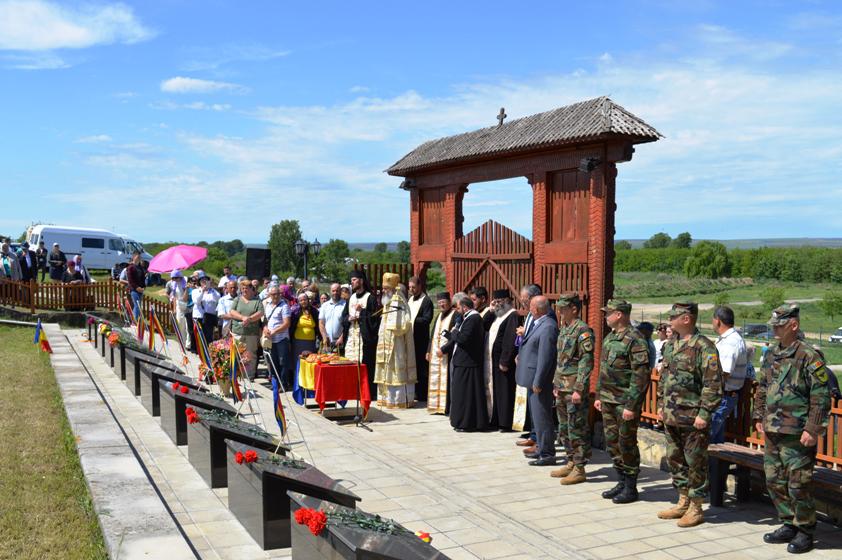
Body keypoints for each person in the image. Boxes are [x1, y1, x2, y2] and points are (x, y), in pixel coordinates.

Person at [754, 305, 831, 554]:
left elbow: (821, 396)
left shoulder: (809, 356)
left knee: (798, 484)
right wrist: (759, 416)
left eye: (779, 325)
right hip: (773, 428)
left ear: (793, 326)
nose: (774, 329)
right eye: (774, 325)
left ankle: (805, 530)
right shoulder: (771, 353)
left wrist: (813, 427)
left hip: (797, 431)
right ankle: (788, 522)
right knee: (774, 480)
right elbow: (762, 386)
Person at [657, 302, 723, 528]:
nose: (670, 321)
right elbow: (664, 377)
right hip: (671, 414)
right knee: (675, 459)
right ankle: (682, 499)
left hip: (693, 417)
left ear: (686, 319)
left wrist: (704, 412)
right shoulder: (671, 344)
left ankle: (696, 507)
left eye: (673, 317)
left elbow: (713, 384)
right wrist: (660, 404)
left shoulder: (704, 347)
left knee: (695, 463)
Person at [595, 299, 650, 504]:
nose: (605, 316)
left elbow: (640, 376)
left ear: (619, 314)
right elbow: (604, 370)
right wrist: (600, 395)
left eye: (608, 313)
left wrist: (631, 406)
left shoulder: (635, 339)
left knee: (626, 442)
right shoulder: (611, 337)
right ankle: (621, 479)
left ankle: (631, 486)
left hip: (624, 403)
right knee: (612, 443)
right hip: (609, 400)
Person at [550, 293, 594, 484]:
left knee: (577, 428)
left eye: (563, 308)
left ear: (574, 309)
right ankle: (570, 461)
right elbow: (561, 359)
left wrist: (579, 388)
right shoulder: (565, 329)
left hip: (574, 388)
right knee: (564, 428)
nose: (559, 312)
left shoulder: (582, 330)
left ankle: (580, 467)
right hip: (562, 386)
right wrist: (556, 383)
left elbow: (586, 361)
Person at [515, 295, 559, 466]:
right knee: (538, 417)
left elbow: (545, 357)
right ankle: (541, 447)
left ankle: (547, 453)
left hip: (538, 381)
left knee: (542, 417)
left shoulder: (548, 326)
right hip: (531, 378)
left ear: (539, 309)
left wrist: (539, 381)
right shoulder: (539, 322)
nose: (529, 310)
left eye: (532, 307)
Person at [441, 293, 488, 431]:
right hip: (464, 362)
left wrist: (454, 331)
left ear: (465, 307)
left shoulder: (473, 319)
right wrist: (451, 334)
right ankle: (463, 421)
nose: (456, 310)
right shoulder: (467, 318)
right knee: (463, 394)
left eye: (457, 307)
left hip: (468, 362)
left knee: (466, 396)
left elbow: (463, 339)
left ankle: (466, 423)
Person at [374, 275, 417, 408]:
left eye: (386, 289)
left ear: (393, 288)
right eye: (383, 289)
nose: (383, 291)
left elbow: (400, 325)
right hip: (385, 342)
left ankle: (398, 400)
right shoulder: (388, 302)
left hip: (396, 344)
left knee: (396, 371)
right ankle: (387, 400)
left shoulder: (397, 301)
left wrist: (391, 328)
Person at [709, 306, 748, 444]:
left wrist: (708, 391)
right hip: (724, 396)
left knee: (705, 438)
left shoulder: (730, 342)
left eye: (713, 320)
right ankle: (715, 467)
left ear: (718, 321)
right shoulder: (731, 338)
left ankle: (707, 466)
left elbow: (723, 373)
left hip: (722, 396)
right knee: (715, 442)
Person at [485, 289, 520, 431]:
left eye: (499, 302)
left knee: (504, 391)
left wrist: (505, 360)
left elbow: (510, 339)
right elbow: (483, 326)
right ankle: (495, 419)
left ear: (507, 301)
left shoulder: (512, 315)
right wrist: (490, 310)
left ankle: (505, 422)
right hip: (492, 361)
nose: (497, 304)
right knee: (496, 391)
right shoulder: (498, 315)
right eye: (495, 302)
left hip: (503, 362)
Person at [341, 270, 380, 391]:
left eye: (354, 280)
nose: (351, 282)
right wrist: (349, 318)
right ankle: (352, 389)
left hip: (364, 338)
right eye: (351, 280)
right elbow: (344, 316)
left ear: (361, 281)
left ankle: (367, 392)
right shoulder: (351, 298)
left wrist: (362, 312)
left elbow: (374, 319)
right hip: (352, 336)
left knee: (365, 365)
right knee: (351, 362)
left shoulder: (370, 298)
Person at [427, 292, 457, 415]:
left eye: (443, 302)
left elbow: (454, 337)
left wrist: (444, 349)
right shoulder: (438, 316)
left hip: (447, 355)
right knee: (435, 379)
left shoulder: (455, 315)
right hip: (435, 355)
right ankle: (436, 405)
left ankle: (445, 407)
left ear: (449, 302)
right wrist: (428, 350)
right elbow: (432, 335)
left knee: (447, 381)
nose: (441, 304)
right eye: (439, 303)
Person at [228, 279, 263, 381]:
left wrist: (250, 319)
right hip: (237, 332)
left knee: (250, 354)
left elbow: (260, 313)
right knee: (237, 353)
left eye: (246, 288)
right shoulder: (237, 300)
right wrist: (243, 317)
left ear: (252, 289)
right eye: (242, 288)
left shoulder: (257, 301)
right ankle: (237, 374)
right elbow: (232, 311)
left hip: (251, 333)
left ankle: (249, 376)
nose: (244, 290)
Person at [407, 276, 433, 402]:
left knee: (421, 368)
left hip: (420, 339)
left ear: (419, 286)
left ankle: (422, 394)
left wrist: (412, 320)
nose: (411, 289)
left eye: (413, 287)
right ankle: (414, 391)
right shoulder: (410, 299)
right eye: (410, 287)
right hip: (410, 338)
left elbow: (427, 319)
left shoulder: (426, 301)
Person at [263, 285, 292, 387]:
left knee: (283, 362)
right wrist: (265, 329)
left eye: (277, 294)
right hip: (271, 339)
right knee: (273, 362)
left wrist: (274, 331)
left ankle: (283, 384)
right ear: (269, 295)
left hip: (281, 339)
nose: (275, 296)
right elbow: (266, 321)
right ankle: (275, 384)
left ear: (280, 294)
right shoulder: (268, 305)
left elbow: (287, 323)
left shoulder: (284, 306)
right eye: (272, 294)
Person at [290, 292, 321, 361]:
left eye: (305, 299)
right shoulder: (295, 311)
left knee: (310, 360)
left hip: (311, 342)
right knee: (298, 361)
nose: (303, 302)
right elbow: (291, 327)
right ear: (298, 302)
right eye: (301, 300)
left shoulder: (314, 311)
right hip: (298, 342)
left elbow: (318, 326)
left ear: (308, 300)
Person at [193, 273, 220, 344]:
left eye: (206, 280)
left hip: (209, 317)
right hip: (199, 316)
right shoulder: (196, 291)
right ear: (199, 282)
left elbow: (217, 299)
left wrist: (212, 288)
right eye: (202, 280)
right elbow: (197, 302)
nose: (204, 282)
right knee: (199, 336)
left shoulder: (214, 292)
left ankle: (208, 352)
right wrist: (202, 291)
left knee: (209, 336)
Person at [318, 283, 346, 351]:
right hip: (327, 343)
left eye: (337, 290)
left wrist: (342, 338)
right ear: (330, 291)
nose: (335, 293)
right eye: (333, 291)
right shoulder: (325, 305)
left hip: (340, 343)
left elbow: (348, 324)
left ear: (340, 291)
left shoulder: (346, 305)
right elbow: (321, 323)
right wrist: (325, 337)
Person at [168, 270, 190, 346]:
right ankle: (182, 342)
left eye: (175, 278)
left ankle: (188, 343)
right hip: (179, 306)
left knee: (187, 325)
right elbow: (174, 298)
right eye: (173, 278)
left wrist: (186, 289)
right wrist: (174, 309)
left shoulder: (185, 283)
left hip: (187, 305)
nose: (174, 280)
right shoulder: (174, 285)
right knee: (180, 324)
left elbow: (186, 297)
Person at [125, 251, 145, 320]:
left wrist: (143, 287)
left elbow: (143, 278)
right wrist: (137, 288)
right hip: (133, 290)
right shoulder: (130, 267)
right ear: (133, 257)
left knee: (139, 306)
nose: (139, 258)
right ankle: (134, 321)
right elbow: (131, 281)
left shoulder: (140, 268)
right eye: (137, 256)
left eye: (140, 256)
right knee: (137, 305)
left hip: (140, 290)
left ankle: (136, 321)